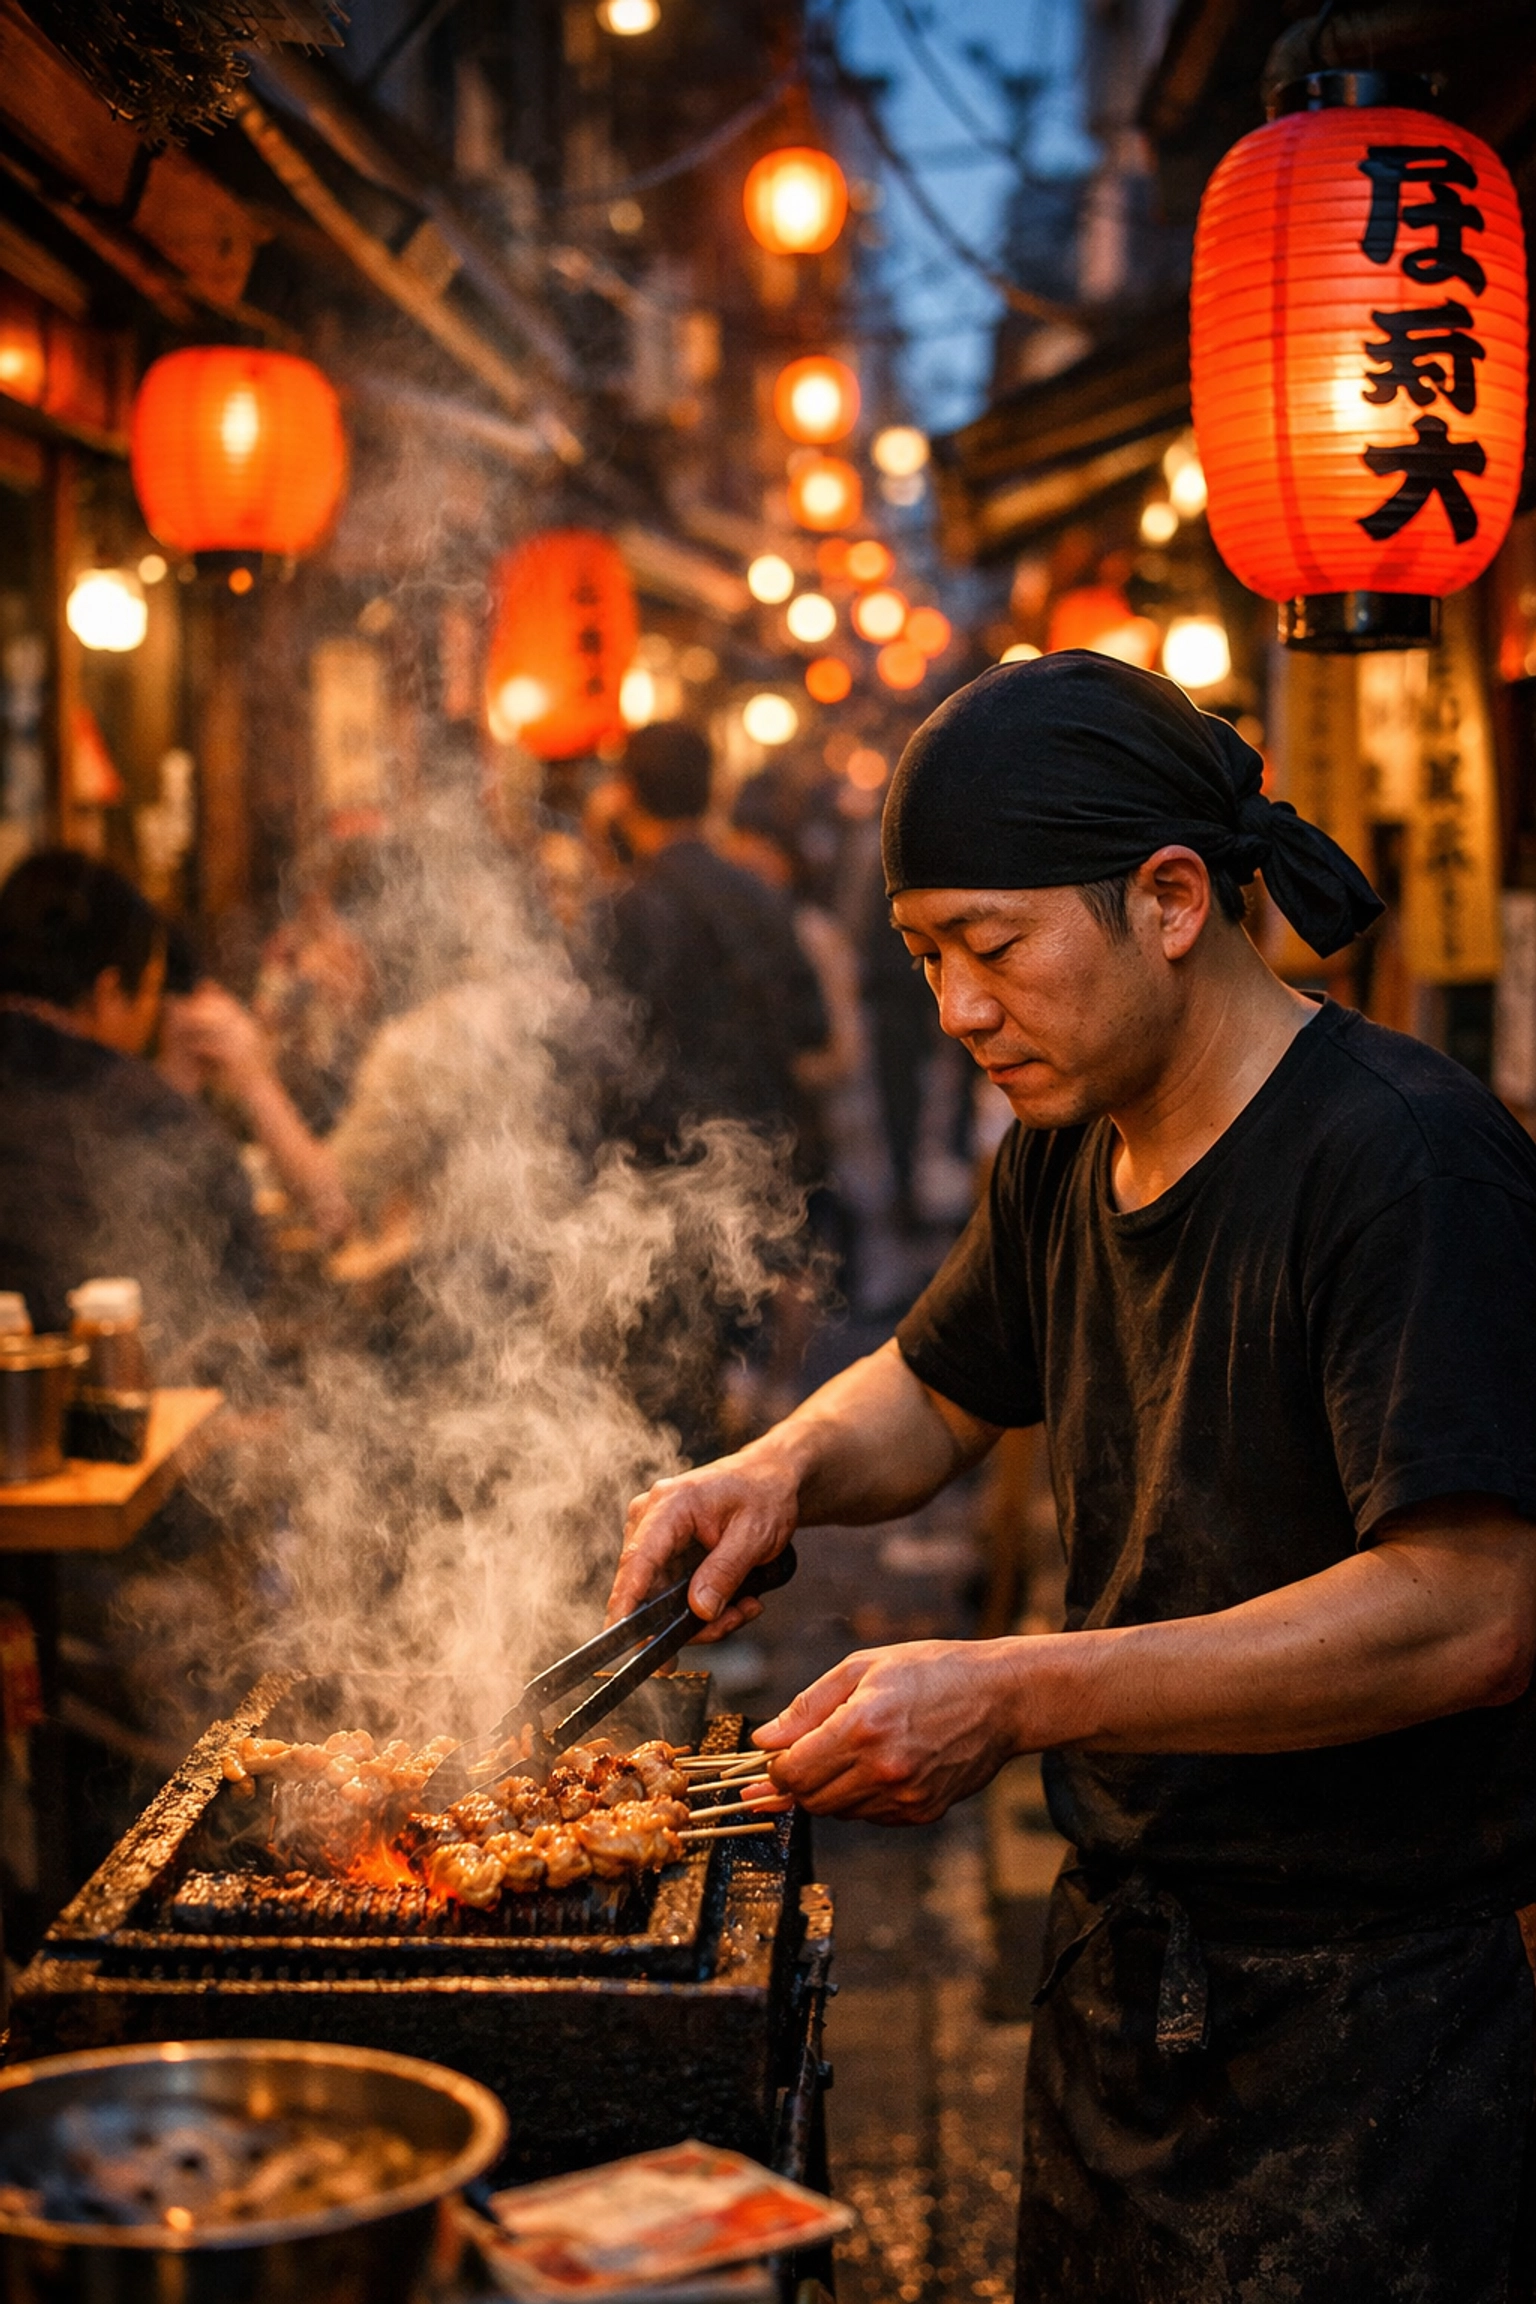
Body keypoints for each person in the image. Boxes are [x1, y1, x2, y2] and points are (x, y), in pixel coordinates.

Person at [607, 652, 1536, 2304]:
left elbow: (1468, 1608)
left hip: (1367, 2023)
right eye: (924, 956)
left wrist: (1023, 1690)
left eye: (992, 945)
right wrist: (775, 1466)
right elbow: (942, 1386)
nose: (957, 1007)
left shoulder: (1403, 1162)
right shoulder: (1069, 1139)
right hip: (1124, 1978)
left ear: (1172, 898)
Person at [0, 850, 266, 1344]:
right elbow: (240, 1288)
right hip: (109, 1403)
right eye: (148, 995)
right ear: (107, 992)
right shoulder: (156, 1115)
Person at [596, 723, 827, 1157]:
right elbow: (811, 1026)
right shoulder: (761, 894)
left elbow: (603, 1047)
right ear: (715, 791)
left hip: (660, 1152)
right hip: (766, 1141)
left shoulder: (622, 909)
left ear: (625, 794)